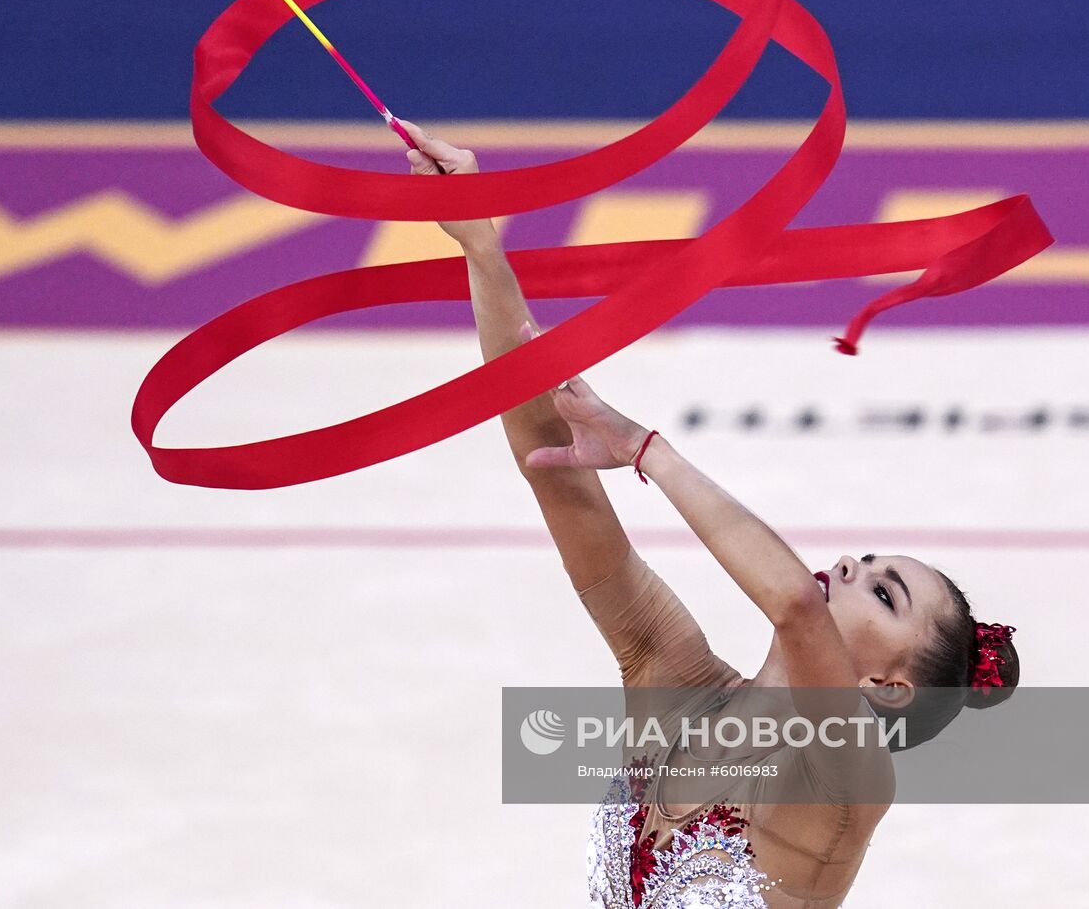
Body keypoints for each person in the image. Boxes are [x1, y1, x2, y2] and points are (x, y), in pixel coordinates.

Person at [398, 120, 1020, 908]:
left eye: (886, 593)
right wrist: (483, 250)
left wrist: (645, 447)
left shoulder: (849, 780)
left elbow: (794, 603)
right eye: (869, 561)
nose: (856, 567)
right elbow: (553, 474)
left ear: (884, 685)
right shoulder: (671, 682)